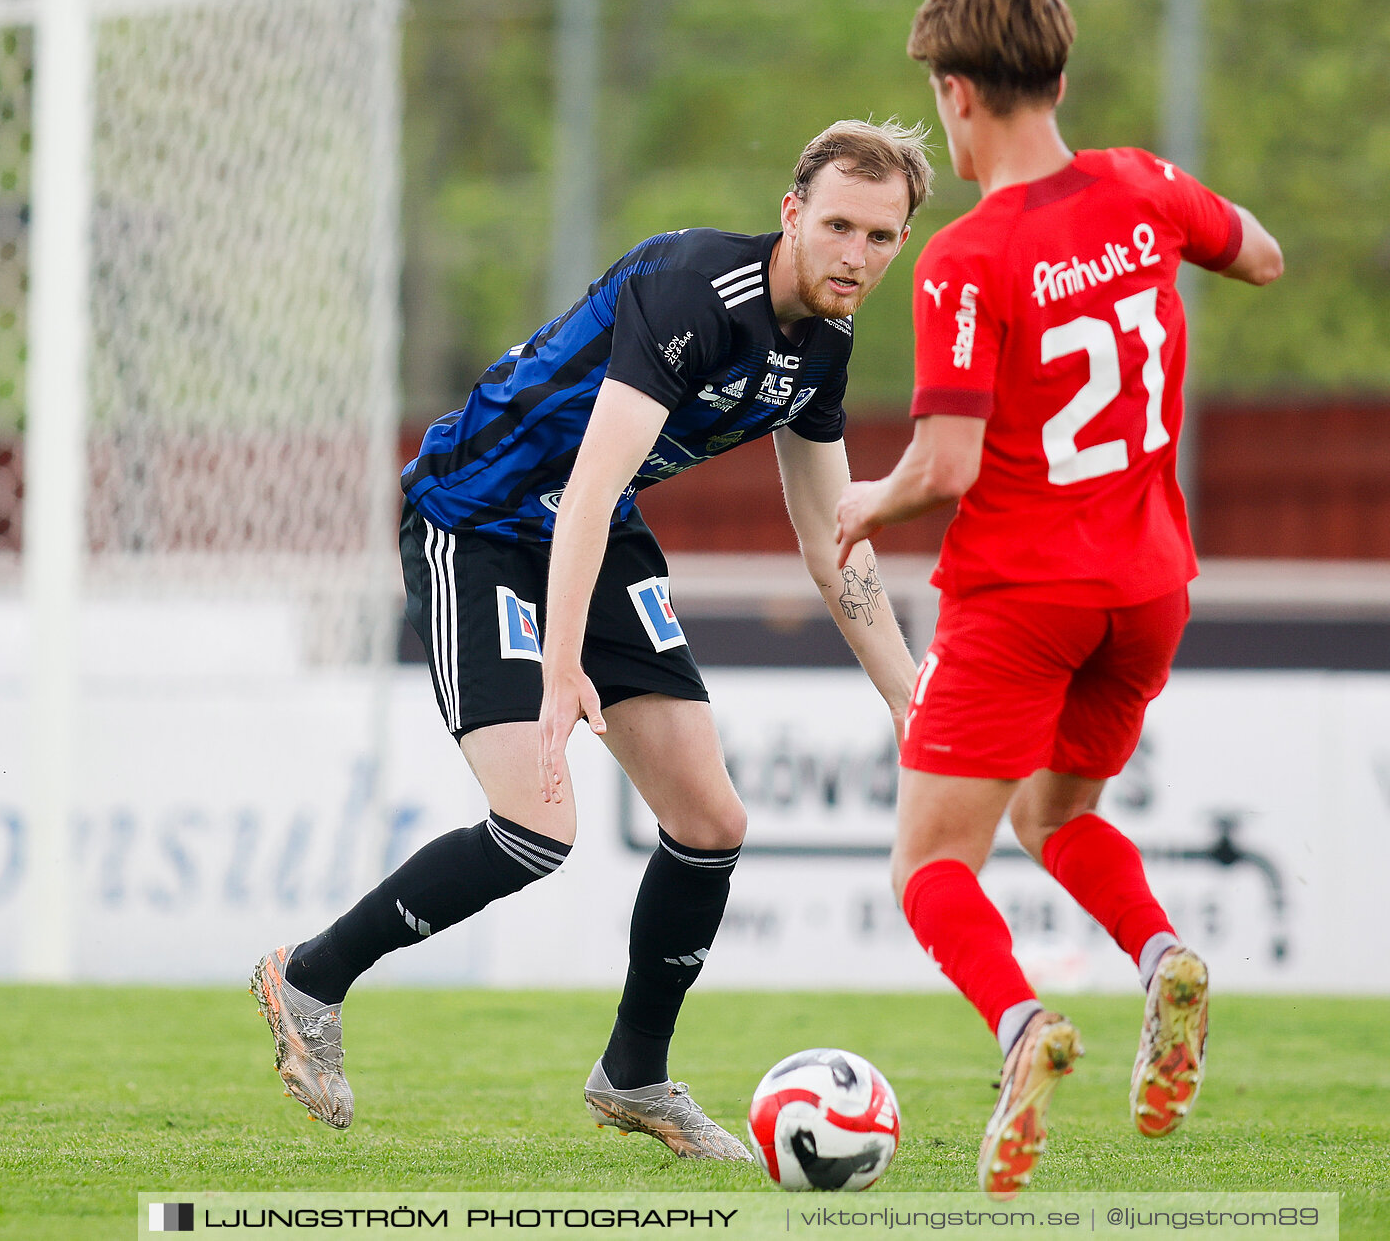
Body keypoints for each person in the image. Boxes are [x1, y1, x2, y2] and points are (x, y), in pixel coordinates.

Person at [252, 119, 932, 1160]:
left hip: (591, 533)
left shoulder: (823, 350)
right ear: (791, 214)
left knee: (711, 819)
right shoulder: (695, 290)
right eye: (838, 224)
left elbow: (833, 542)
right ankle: (308, 977)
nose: (856, 254)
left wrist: (906, 697)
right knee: (537, 825)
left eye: (882, 238)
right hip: (477, 519)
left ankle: (635, 1075)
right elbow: (590, 486)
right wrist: (563, 668)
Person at [834, 0, 1283, 1198]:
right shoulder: (1142, 187)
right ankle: (1161, 955)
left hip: (1024, 594)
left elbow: (947, 464)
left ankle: (1025, 1027)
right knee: (1056, 818)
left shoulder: (965, 259)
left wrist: (861, 508)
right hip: (1147, 588)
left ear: (957, 91)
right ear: (1063, 81)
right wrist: (1158, 235)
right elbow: (1263, 257)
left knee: (930, 865)